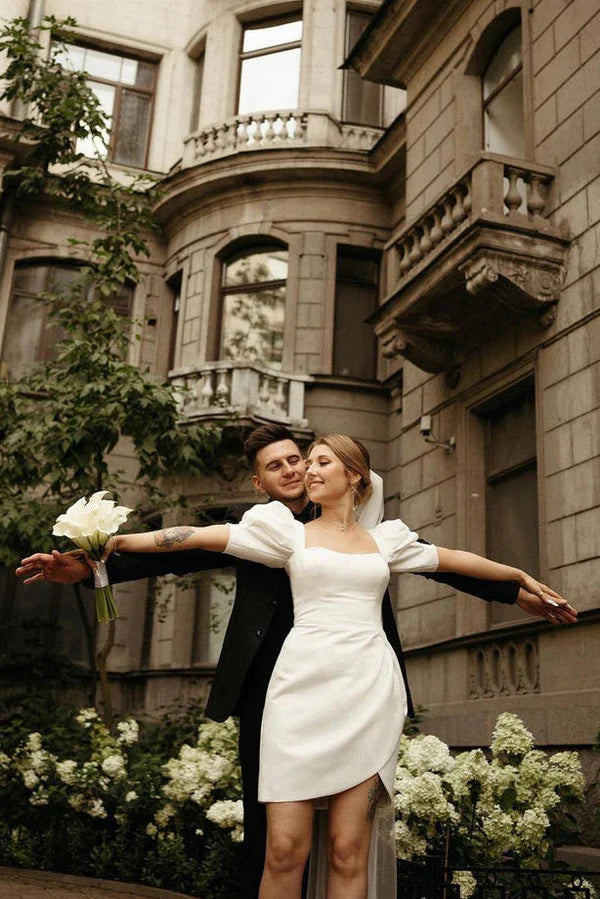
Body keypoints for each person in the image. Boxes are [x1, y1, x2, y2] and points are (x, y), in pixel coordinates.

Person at [17, 426, 576, 898]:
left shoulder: (373, 533)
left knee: (346, 843)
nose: (294, 470)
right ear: (260, 481)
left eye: (300, 459)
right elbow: (184, 548)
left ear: (343, 472)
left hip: (361, 683)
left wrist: (517, 588)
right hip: (276, 685)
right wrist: (96, 560)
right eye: (280, 466)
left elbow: (442, 561)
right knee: (276, 840)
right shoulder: (265, 526)